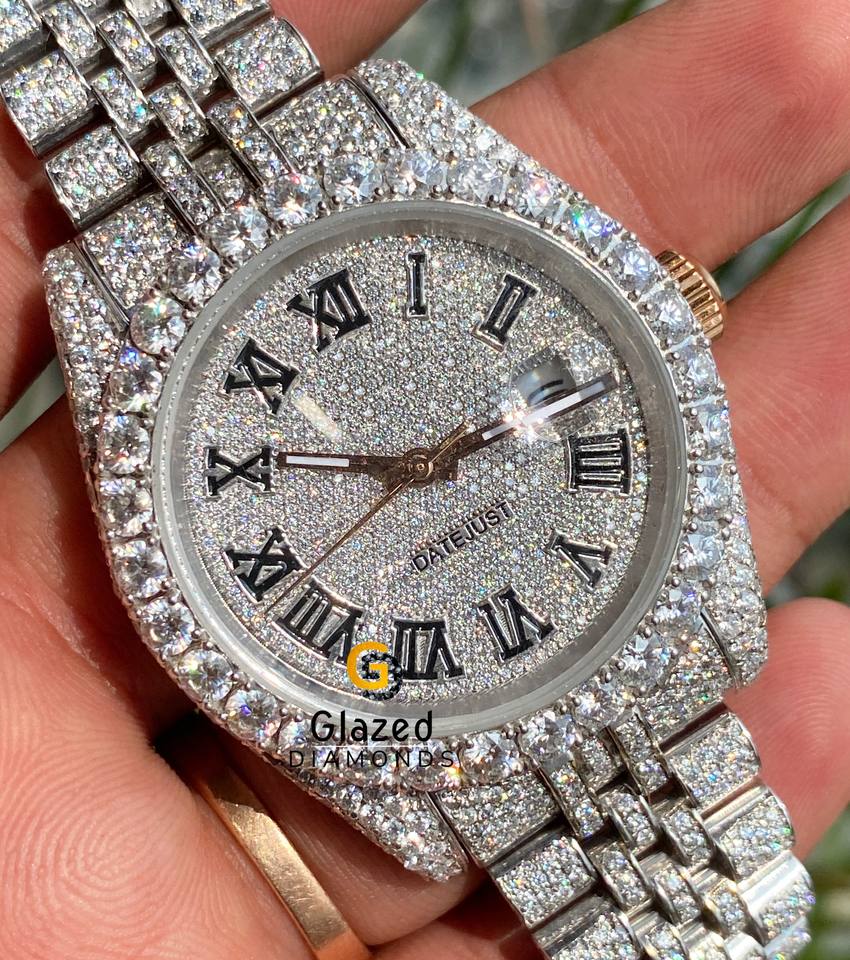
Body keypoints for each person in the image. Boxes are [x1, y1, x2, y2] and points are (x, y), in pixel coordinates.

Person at [0, 1, 848, 956]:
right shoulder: (116, 304)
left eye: (421, 466)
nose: (421, 471)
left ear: (666, 304)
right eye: (415, 470)